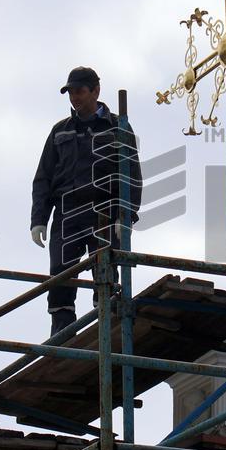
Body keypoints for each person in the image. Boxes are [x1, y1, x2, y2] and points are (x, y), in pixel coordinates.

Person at [31, 66, 142, 336]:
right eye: (70, 92)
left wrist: (125, 216)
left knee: (103, 271)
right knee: (60, 273)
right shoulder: (60, 131)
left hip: (102, 211)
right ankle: (62, 334)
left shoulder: (119, 129)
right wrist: (38, 220)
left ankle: (105, 332)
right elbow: (43, 178)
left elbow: (132, 177)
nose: (74, 98)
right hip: (67, 213)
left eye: (79, 91)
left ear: (96, 90)